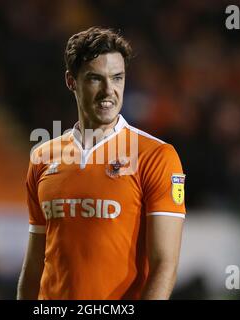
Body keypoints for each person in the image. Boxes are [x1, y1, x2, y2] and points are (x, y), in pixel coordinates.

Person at [17, 27, 186, 300]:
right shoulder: (42, 158)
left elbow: (165, 265)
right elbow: (35, 264)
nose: (109, 91)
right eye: (96, 78)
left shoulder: (155, 156)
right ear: (71, 81)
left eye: (117, 78)